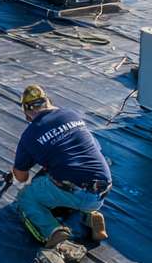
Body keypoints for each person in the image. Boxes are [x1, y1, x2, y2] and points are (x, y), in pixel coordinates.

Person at [9, 85, 111, 248]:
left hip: (75, 191)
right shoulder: (72, 114)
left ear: (27, 113)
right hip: (102, 189)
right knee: (69, 177)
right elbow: (95, 148)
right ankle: (90, 214)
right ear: (48, 102)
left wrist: (18, 166)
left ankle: (54, 231)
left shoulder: (30, 134)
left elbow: (21, 177)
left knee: (26, 197)